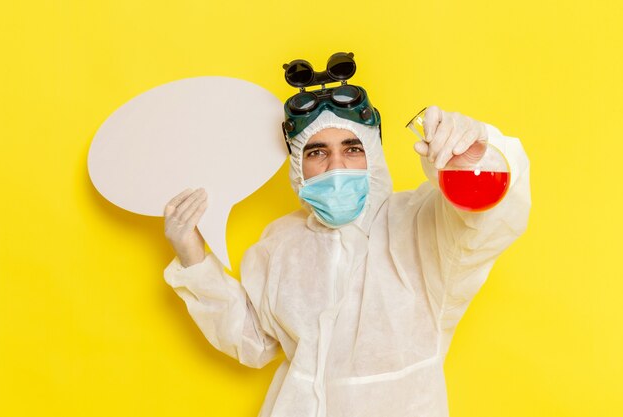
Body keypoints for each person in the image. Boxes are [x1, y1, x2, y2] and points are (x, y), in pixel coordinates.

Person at [162, 56, 531, 417]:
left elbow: (488, 224)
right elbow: (254, 342)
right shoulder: (281, 241)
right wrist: (193, 254)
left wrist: (475, 158)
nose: (336, 167)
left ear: (372, 154)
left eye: (352, 149)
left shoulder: (422, 225)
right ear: (298, 166)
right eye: (317, 152)